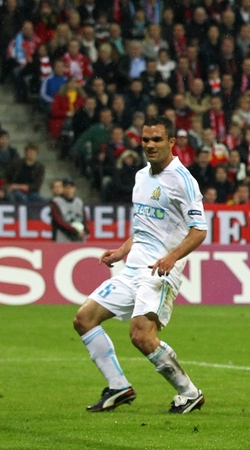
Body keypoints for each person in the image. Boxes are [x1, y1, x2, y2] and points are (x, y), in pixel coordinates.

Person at [72, 115, 207, 414]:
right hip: (133, 267)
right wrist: (122, 250)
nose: (149, 145)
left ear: (172, 142)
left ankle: (189, 392)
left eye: (157, 139)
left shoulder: (183, 181)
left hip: (159, 272)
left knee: (141, 336)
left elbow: (199, 230)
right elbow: (145, 228)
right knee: (84, 319)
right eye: (146, 139)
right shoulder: (141, 176)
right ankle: (118, 385)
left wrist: (172, 257)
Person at [50, 177, 87, 242]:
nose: (69, 189)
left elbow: (85, 218)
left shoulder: (79, 202)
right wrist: (73, 230)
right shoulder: (56, 202)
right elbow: (58, 221)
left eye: (71, 187)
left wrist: (85, 230)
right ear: (63, 188)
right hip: (62, 237)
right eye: (66, 187)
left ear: (74, 188)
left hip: (78, 237)